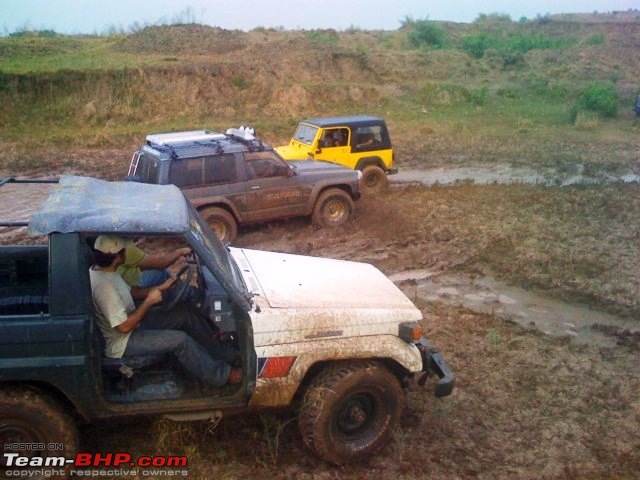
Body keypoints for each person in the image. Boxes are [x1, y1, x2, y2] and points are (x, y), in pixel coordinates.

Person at [89, 234, 242, 387]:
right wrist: (149, 302)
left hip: (133, 322)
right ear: (117, 256)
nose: (127, 253)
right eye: (124, 251)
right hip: (124, 341)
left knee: (185, 313)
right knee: (180, 341)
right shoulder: (105, 288)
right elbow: (123, 327)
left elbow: (131, 293)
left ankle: (226, 354)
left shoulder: (106, 270)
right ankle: (222, 375)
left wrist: (161, 288)